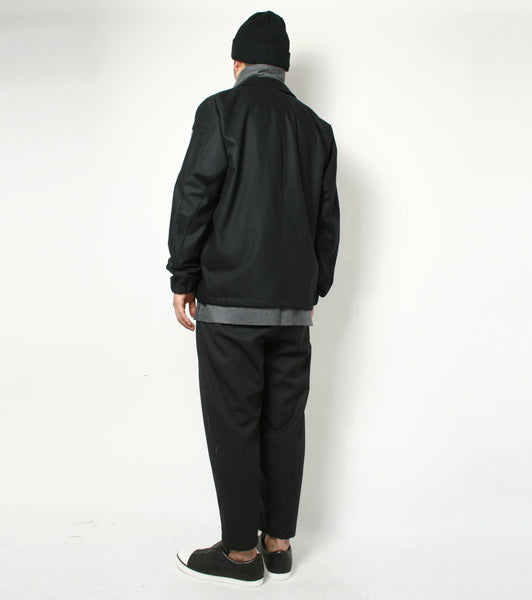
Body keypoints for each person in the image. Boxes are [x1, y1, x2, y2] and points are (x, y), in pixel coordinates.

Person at [166, 10, 340, 587]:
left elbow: (195, 195)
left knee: (234, 424)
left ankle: (241, 553)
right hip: (293, 309)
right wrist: (312, 287)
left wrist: (183, 274)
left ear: (238, 62)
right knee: (284, 424)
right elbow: (327, 219)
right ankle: (279, 544)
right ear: (283, 68)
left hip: (231, 304)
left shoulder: (220, 110)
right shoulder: (316, 128)